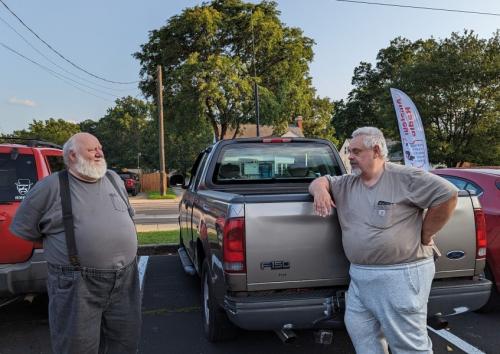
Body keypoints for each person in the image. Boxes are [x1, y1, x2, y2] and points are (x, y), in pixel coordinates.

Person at [309, 127, 458, 354]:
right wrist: (320, 190)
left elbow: (448, 194)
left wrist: (426, 234)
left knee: (408, 345)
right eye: (349, 151)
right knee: (362, 333)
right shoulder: (348, 183)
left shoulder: (404, 177)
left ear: (376, 150)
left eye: (356, 151)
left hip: (401, 274)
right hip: (360, 276)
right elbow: (322, 180)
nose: (349, 156)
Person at [10, 132, 141, 354]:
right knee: (76, 347)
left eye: (100, 148)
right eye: (92, 150)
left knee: (125, 344)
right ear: (72, 155)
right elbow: (26, 230)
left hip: (125, 279)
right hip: (77, 283)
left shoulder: (114, 179)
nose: (100, 153)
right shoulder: (50, 187)